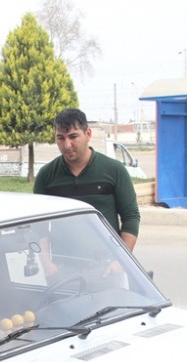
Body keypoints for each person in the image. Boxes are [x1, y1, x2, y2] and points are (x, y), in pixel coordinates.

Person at [34, 108, 140, 277]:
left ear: (88, 134)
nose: (67, 145)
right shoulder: (46, 176)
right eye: (60, 138)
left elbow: (131, 216)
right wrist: (46, 262)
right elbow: (38, 225)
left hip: (107, 269)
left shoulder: (114, 170)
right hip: (62, 269)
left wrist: (121, 261)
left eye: (73, 136)